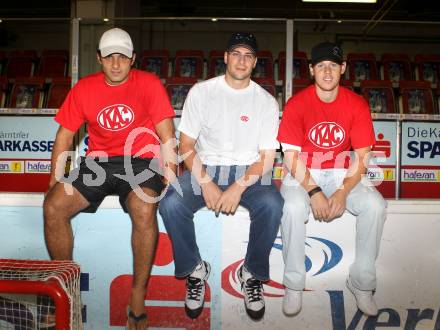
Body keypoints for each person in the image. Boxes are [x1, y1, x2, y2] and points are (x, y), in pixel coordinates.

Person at [43, 27, 176, 330]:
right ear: (99, 58)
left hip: (141, 160)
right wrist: (55, 179)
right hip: (99, 164)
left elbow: (167, 133)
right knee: (53, 206)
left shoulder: (150, 83)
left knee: (144, 207)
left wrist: (170, 173)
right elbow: (64, 136)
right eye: (109, 57)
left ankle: (138, 294)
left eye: (122, 57)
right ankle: (67, 289)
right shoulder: (84, 88)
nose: (116, 64)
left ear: (133, 59)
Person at [159, 32, 283, 321]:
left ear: (255, 63)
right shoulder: (202, 92)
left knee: (273, 204)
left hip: (249, 170)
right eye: (236, 54)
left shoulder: (265, 102)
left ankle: (251, 273)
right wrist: (207, 184)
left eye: (248, 55)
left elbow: (266, 158)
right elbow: (186, 148)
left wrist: (237, 188)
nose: (242, 60)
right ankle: (195, 269)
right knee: (170, 204)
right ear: (225, 57)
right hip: (206, 166)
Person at [277, 42, 387, 317]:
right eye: (322, 66)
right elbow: (290, 157)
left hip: (342, 170)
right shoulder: (297, 104)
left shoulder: (356, 104)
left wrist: (341, 192)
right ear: (312, 69)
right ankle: (293, 283)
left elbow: (362, 156)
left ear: (343, 69)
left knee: (375, 206)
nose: (328, 72)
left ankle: (361, 283)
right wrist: (314, 191)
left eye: (333, 66)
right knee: (292, 208)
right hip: (303, 171)